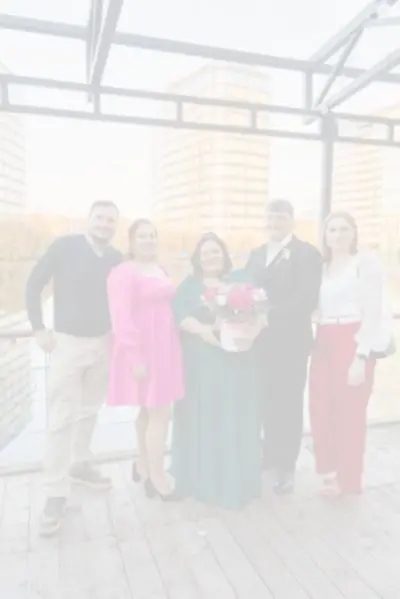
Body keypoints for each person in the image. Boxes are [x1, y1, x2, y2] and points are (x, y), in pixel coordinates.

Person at [26, 200, 122, 535]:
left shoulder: (115, 258)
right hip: (67, 344)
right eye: (100, 218)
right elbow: (33, 284)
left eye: (111, 220)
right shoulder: (64, 246)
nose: (105, 224)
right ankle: (55, 493)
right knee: (61, 417)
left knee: (90, 410)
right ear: (88, 219)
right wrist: (38, 328)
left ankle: (79, 463)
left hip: (104, 342)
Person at [171, 233, 263, 510]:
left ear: (224, 255)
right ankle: (205, 481)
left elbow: (261, 313)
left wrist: (251, 333)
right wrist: (206, 333)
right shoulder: (189, 286)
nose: (211, 257)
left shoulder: (241, 280)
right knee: (208, 415)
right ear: (197, 259)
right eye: (205, 253)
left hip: (240, 359)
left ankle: (239, 480)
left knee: (237, 414)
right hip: (204, 361)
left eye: (216, 251)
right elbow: (180, 316)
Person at [309, 212, 389, 497]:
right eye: (332, 229)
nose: (338, 235)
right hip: (324, 339)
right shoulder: (322, 267)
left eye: (344, 229)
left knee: (350, 413)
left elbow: (373, 312)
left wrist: (361, 356)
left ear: (354, 233)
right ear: (325, 235)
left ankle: (349, 480)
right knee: (320, 407)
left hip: (352, 338)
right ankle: (329, 472)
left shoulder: (364, 263)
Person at [246, 199, 322, 495]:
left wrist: (269, 316)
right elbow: (247, 291)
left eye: (280, 218)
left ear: (292, 220)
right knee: (265, 399)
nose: (274, 223)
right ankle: (269, 455)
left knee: (288, 402)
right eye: (270, 218)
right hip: (259, 341)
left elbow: (307, 298)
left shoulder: (307, 254)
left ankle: (286, 465)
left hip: (291, 342)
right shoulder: (255, 254)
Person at [107, 219, 184, 500]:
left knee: (149, 410)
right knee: (161, 413)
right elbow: (120, 316)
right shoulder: (124, 272)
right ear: (131, 241)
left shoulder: (160, 268)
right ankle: (157, 476)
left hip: (165, 347)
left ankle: (142, 464)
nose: (149, 240)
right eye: (142, 236)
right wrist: (134, 357)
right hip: (143, 349)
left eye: (152, 235)